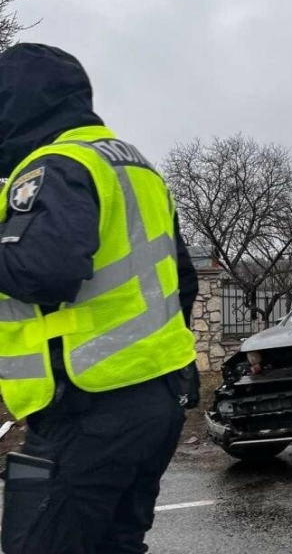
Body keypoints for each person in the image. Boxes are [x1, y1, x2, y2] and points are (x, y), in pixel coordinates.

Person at [0, 43, 199, 553]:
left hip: (90, 405)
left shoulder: (53, 165)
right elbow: (184, 281)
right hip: (156, 398)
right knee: (116, 544)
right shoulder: (134, 167)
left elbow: (43, 271)